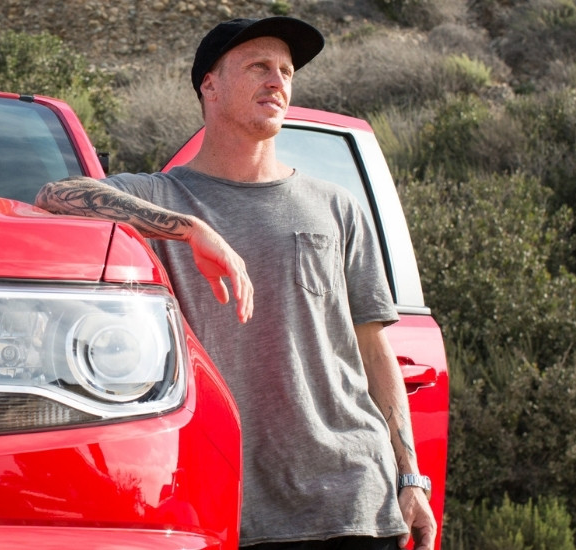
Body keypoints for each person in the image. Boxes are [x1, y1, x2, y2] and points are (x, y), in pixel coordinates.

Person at [35, 17, 437, 550]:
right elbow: (54, 196)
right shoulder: (159, 198)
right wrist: (189, 229)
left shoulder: (336, 206)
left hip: (353, 498)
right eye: (259, 67)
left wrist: (410, 479)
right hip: (228, 502)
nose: (278, 82)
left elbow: (373, 348)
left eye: (286, 71)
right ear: (210, 85)